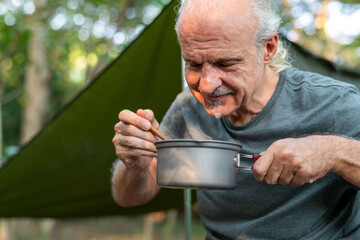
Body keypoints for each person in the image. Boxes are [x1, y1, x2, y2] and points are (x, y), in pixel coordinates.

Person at [111, 0, 360, 239]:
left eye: (226, 63)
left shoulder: (333, 103)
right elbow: (128, 197)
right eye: (194, 64)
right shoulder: (188, 108)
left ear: (267, 49)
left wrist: (333, 153)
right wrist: (135, 164)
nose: (207, 86)